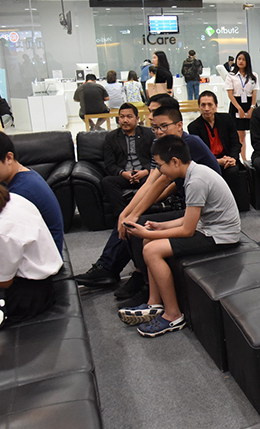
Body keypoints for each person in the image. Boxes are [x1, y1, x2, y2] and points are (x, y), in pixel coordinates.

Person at [74, 97, 220, 299]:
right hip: (189, 202)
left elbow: (160, 182)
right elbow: (152, 181)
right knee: (132, 217)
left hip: (200, 209)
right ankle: (116, 269)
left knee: (139, 221)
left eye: (158, 118)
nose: (152, 119)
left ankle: (140, 278)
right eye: (153, 122)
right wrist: (126, 214)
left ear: (177, 123)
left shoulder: (185, 144)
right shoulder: (161, 144)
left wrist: (132, 214)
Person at [118, 135, 241, 337]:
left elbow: (187, 230)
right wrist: (159, 226)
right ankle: (154, 303)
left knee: (151, 249)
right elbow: (190, 218)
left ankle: (173, 315)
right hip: (208, 227)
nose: (160, 171)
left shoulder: (196, 181)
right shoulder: (193, 173)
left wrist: (147, 232)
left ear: (175, 161)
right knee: (149, 239)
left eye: (161, 166)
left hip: (221, 236)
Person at [0, 168, 62, 324]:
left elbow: (1, 282)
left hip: (25, 296)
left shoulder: (0, 233)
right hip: (39, 280)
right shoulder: (13, 200)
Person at [0, 129, 64, 254]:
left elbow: (0, 237)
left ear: (9, 157)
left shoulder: (21, 192)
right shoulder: (25, 176)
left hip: (41, 255)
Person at [187, 91, 245, 205]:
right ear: (199, 107)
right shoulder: (193, 127)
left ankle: (232, 204)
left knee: (232, 171)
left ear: (216, 105)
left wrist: (232, 158)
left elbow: (235, 143)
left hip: (228, 159)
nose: (206, 108)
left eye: (210, 104)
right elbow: (199, 154)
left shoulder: (226, 119)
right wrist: (217, 161)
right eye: (203, 105)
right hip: (208, 163)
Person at [101, 103, 153, 216]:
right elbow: (109, 164)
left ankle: (142, 214)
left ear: (137, 119)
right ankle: (122, 216)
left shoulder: (148, 134)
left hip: (144, 174)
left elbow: (156, 159)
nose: (125, 120)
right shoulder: (111, 137)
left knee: (155, 179)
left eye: (129, 117)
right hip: (124, 175)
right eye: (122, 117)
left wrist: (145, 171)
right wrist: (123, 173)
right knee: (107, 181)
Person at [225, 51, 259, 164]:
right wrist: (239, 108)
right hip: (236, 103)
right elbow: (230, 94)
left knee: (255, 132)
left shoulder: (254, 76)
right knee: (240, 134)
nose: (241, 61)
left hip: (250, 103)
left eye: (243, 59)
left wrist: (252, 107)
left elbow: (254, 93)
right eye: (239, 59)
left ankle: (255, 156)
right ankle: (243, 159)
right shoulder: (231, 75)